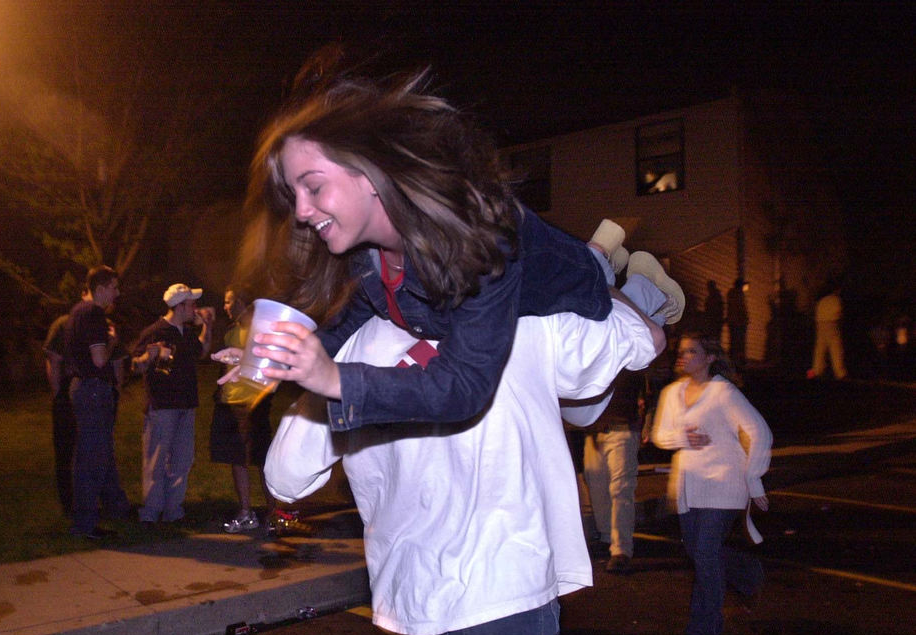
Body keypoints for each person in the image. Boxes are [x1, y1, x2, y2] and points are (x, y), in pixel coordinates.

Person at [264, 290, 663, 635]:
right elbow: (646, 340)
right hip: (507, 600)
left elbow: (284, 476)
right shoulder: (521, 309)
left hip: (415, 609)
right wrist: (591, 275)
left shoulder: (351, 351)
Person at [236, 70, 684, 433]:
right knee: (573, 412)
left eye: (312, 186)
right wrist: (286, 355)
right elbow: (352, 314)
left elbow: (466, 386)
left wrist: (335, 380)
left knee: (634, 351)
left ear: (370, 173)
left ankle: (638, 287)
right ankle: (606, 257)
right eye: (293, 193)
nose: (300, 211)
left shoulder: (480, 240)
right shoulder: (359, 254)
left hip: (564, 287)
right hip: (524, 277)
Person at [651, 331, 772, 635]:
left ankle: (703, 629)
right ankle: (747, 571)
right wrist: (682, 438)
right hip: (688, 488)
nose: (683, 356)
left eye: (692, 351)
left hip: (724, 484)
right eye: (681, 351)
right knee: (698, 552)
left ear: (709, 358)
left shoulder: (723, 393)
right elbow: (660, 435)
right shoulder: (672, 393)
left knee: (705, 553)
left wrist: (754, 477)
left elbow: (759, 431)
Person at [129, 284, 215, 525]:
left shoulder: (186, 334)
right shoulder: (155, 331)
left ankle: (173, 510)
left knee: (181, 459)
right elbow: (135, 365)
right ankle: (150, 512)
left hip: (186, 404)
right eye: (192, 304)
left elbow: (203, 351)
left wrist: (207, 325)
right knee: (156, 459)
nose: (195, 309)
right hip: (162, 405)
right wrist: (150, 356)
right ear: (179, 306)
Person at [209, 289, 291, 534]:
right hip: (229, 403)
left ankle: (274, 512)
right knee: (237, 459)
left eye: (229, 301)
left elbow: (273, 364)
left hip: (252, 405)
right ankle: (246, 513)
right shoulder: (232, 330)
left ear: (245, 302)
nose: (225, 306)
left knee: (262, 460)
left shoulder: (262, 331)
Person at [64, 265, 132, 539]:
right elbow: (100, 359)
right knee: (92, 458)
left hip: (83, 388)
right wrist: (112, 341)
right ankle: (85, 524)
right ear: (101, 288)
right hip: (93, 389)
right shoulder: (93, 314)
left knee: (100, 454)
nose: (117, 293)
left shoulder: (76, 313)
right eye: (114, 287)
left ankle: (116, 507)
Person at [583, 369, 644, 574]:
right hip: (595, 431)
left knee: (620, 490)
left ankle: (621, 550)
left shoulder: (629, 359)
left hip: (621, 428)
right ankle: (607, 537)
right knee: (597, 485)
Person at [43, 311, 75, 517]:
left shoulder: (102, 322)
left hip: (84, 391)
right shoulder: (63, 324)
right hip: (68, 390)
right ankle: (69, 502)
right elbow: (53, 360)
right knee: (66, 450)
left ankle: (81, 499)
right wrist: (59, 395)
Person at [808, 285, 847, 380]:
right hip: (832, 324)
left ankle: (816, 371)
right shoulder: (836, 300)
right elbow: (840, 315)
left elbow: (816, 315)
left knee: (820, 350)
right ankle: (840, 373)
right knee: (836, 349)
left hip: (820, 325)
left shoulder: (822, 301)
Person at [726, 278, 748, 369]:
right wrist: (744, 319)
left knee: (735, 341)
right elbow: (740, 308)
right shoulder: (737, 294)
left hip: (734, 321)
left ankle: (734, 360)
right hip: (738, 322)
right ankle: (737, 361)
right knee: (738, 342)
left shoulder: (732, 294)